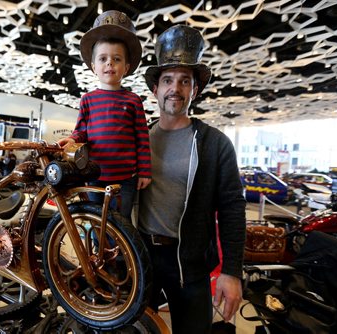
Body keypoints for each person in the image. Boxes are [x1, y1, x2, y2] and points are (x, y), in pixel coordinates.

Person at [137, 25, 246, 333]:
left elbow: (232, 209)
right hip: (141, 254)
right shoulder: (137, 139)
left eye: (185, 81)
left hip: (191, 262)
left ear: (194, 90)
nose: (176, 88)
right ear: (155, 88)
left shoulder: (215, 144)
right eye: (168, 80)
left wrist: (232, 272)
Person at [58, 10, 151, 220]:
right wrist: (72, 139)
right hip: (94, 174)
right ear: (94, 67)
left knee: (121, 224)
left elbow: (142, 139)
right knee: (95, 220)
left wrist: (145, 171)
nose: (110, 63)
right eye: (103, 58)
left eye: (116, 59)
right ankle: (95, 254)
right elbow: (81, 131)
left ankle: (119, 255)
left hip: (125, 179)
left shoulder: (133, 100)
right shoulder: (88, 100)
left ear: (126, 68)